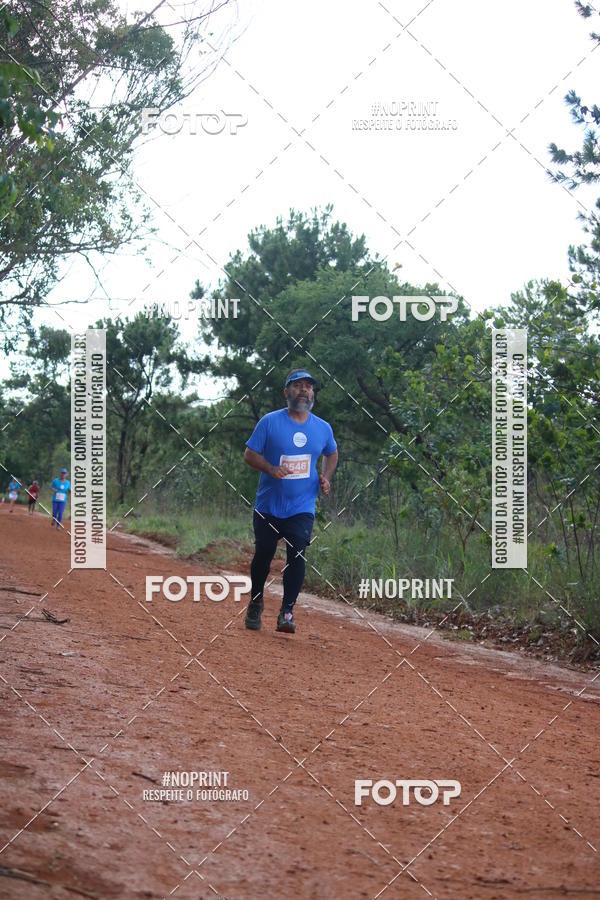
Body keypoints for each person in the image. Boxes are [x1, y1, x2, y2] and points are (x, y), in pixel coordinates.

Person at [243, 369, 338, 634]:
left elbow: (332, 453)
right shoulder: (270, 422)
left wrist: (326, 477)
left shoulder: (322, 428)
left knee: (297, 554)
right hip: (269, 506)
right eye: (298, 386)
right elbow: (249, 454)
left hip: (302, 506)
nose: (304, 391)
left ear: (313, 394)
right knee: (263, 554)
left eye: (309, 387)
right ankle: (256, 601)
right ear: (287, 392)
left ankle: (287, 611)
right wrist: (271, 469)